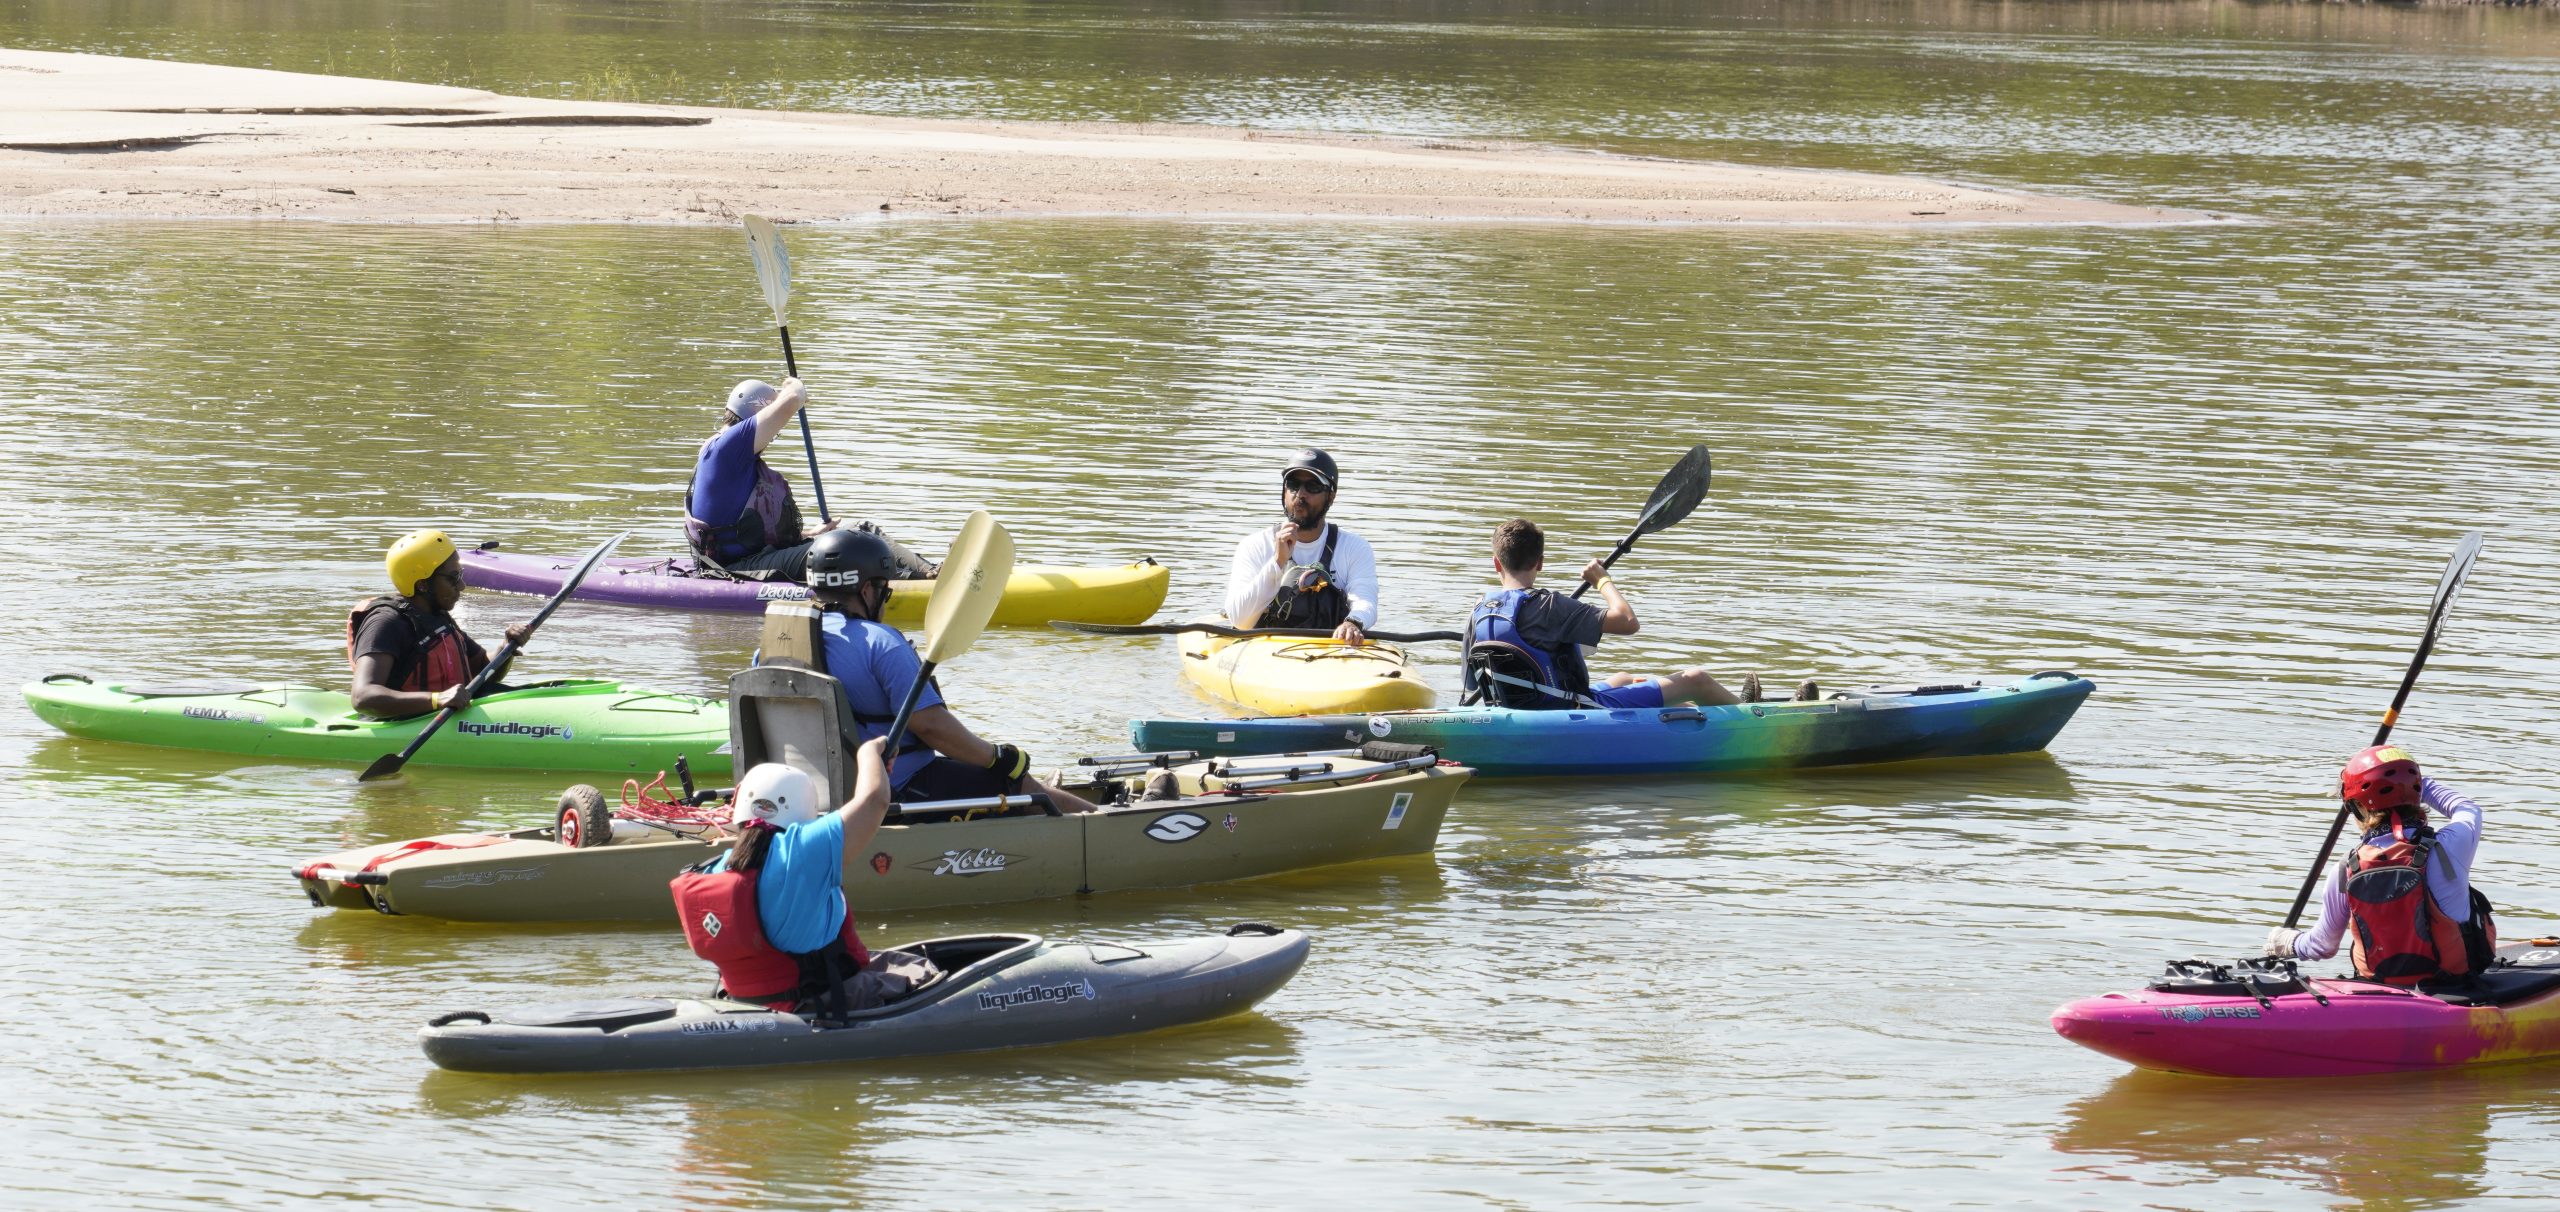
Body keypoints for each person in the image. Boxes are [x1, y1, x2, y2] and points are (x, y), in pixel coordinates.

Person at [797, 528, 1100, 813]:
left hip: (812, 791)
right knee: (1011, 781)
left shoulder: (778, 643)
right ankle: (1102, 821)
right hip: (896, 790)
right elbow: (931, 727)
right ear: (867, 590)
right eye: (883, 591)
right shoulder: (882, 643)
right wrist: (1000, 758)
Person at [672, 739, 940, 1016]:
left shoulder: (711, 870)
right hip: (817, 1006)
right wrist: (868, 754)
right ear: (803, 808)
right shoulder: (802, 850)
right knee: (925, 973)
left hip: (745, 1005)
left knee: (890, 962)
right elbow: (875, 800)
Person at [1463, 518, 1786, 710]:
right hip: (1568, 708)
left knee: (1625, 678)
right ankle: (1751, 715)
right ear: (1540, 562)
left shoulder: (1480, 609)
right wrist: (1600, 579)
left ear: (1496, 563)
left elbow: (1470, 679)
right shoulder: (1552, 605)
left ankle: (1686, 707)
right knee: (1695, 679)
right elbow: (1628, 622)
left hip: (1517, 705)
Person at [2266, 745, 2497, 985]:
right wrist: (2414, 781)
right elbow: (2467, 808)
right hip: (2455, 984)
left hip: (2381, 988)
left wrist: (2288, 942)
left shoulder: (2345, 869)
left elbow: (2322, 946)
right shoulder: (2451, 845)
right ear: (2417, 796)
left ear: (2356, 807)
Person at [684, 377, 936, 582]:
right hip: (735, 568)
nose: (772, 438)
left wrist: (809, 533)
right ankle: (915, 582)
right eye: (774, 432)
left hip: (756, 556)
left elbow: (747, 532)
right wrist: (793, 388)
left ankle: (933, 572)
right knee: (841, 549)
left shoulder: (731, 457)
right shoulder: (728, 449)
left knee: (863, 530)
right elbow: (793, 397)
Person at [347, 529, 531, 720]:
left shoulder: (437, 615)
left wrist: (506, 648)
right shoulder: (386, 623)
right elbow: (363, 697)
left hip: (446, 719)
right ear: (423, 585)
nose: (461, 586)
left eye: (460, 574)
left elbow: (484, 670)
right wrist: (437, 700)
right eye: (453, 578)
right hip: (401, 724)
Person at [1222, 449, 1377, 646]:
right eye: (1293, 485)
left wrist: (1354, 622)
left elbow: (1365, 599)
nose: (1300, 494)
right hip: (1266, 651)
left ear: (1331, 496)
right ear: (1284, 491)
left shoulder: (1355, 548)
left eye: (1312, 486)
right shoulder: (1254, 546)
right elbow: (1239, 620)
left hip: (1331, 649)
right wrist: (1277, 562)